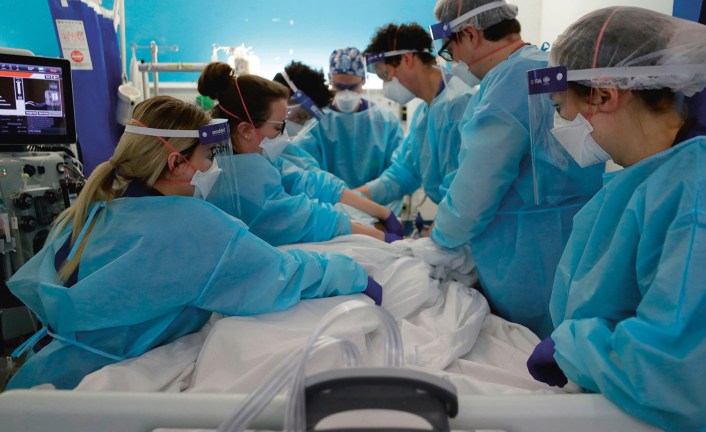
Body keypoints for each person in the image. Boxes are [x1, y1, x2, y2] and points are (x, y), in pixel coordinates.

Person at [6, 96, 381, 390]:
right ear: (175, 163)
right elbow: (279, 275)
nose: (212, 168)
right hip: (91, 387)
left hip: (41, 378)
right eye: (207, 156)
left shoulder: (89, 212)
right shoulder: (187, 227)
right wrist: (354, 273)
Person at [525, 7, 706, 432]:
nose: (561, 124)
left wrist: (574, 349)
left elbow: (679, 374)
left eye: (561, 107)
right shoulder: (659, 179)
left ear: (604, 95)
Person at [428, 0, 603, 337]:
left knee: (528, 360)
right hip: (573, 240)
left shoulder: (508, 83)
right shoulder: (544, 66)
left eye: (450, 52)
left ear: (469, 34)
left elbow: (475, 189)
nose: (454, 65)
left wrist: (440, 238)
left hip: (527, 259)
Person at [197, 62, 403, 245]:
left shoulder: (251, 157)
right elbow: (297, 217)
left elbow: (305, 180)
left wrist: (381, 212)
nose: (284, 136)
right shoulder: (234, 176)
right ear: (246, 130)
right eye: (278, 127)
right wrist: (378, 239)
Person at [355, 22, 474, 207]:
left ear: (408, 59)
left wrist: (437, 231)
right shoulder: (424, 114)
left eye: (385, 75)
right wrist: (351, 199)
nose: (386, 86)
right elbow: (403, 173)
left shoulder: (458, 105)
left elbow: (464, 196)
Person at [292, 47, 406, 199]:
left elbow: (398, 175)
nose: (346, 94)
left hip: (377, 211)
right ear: (330, 79)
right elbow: (306, 176)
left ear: (364, 80)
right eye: (339, 87)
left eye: (353, 87)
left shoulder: (386, 122)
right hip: (329, 213)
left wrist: (366, 206)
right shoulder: (315, 124)